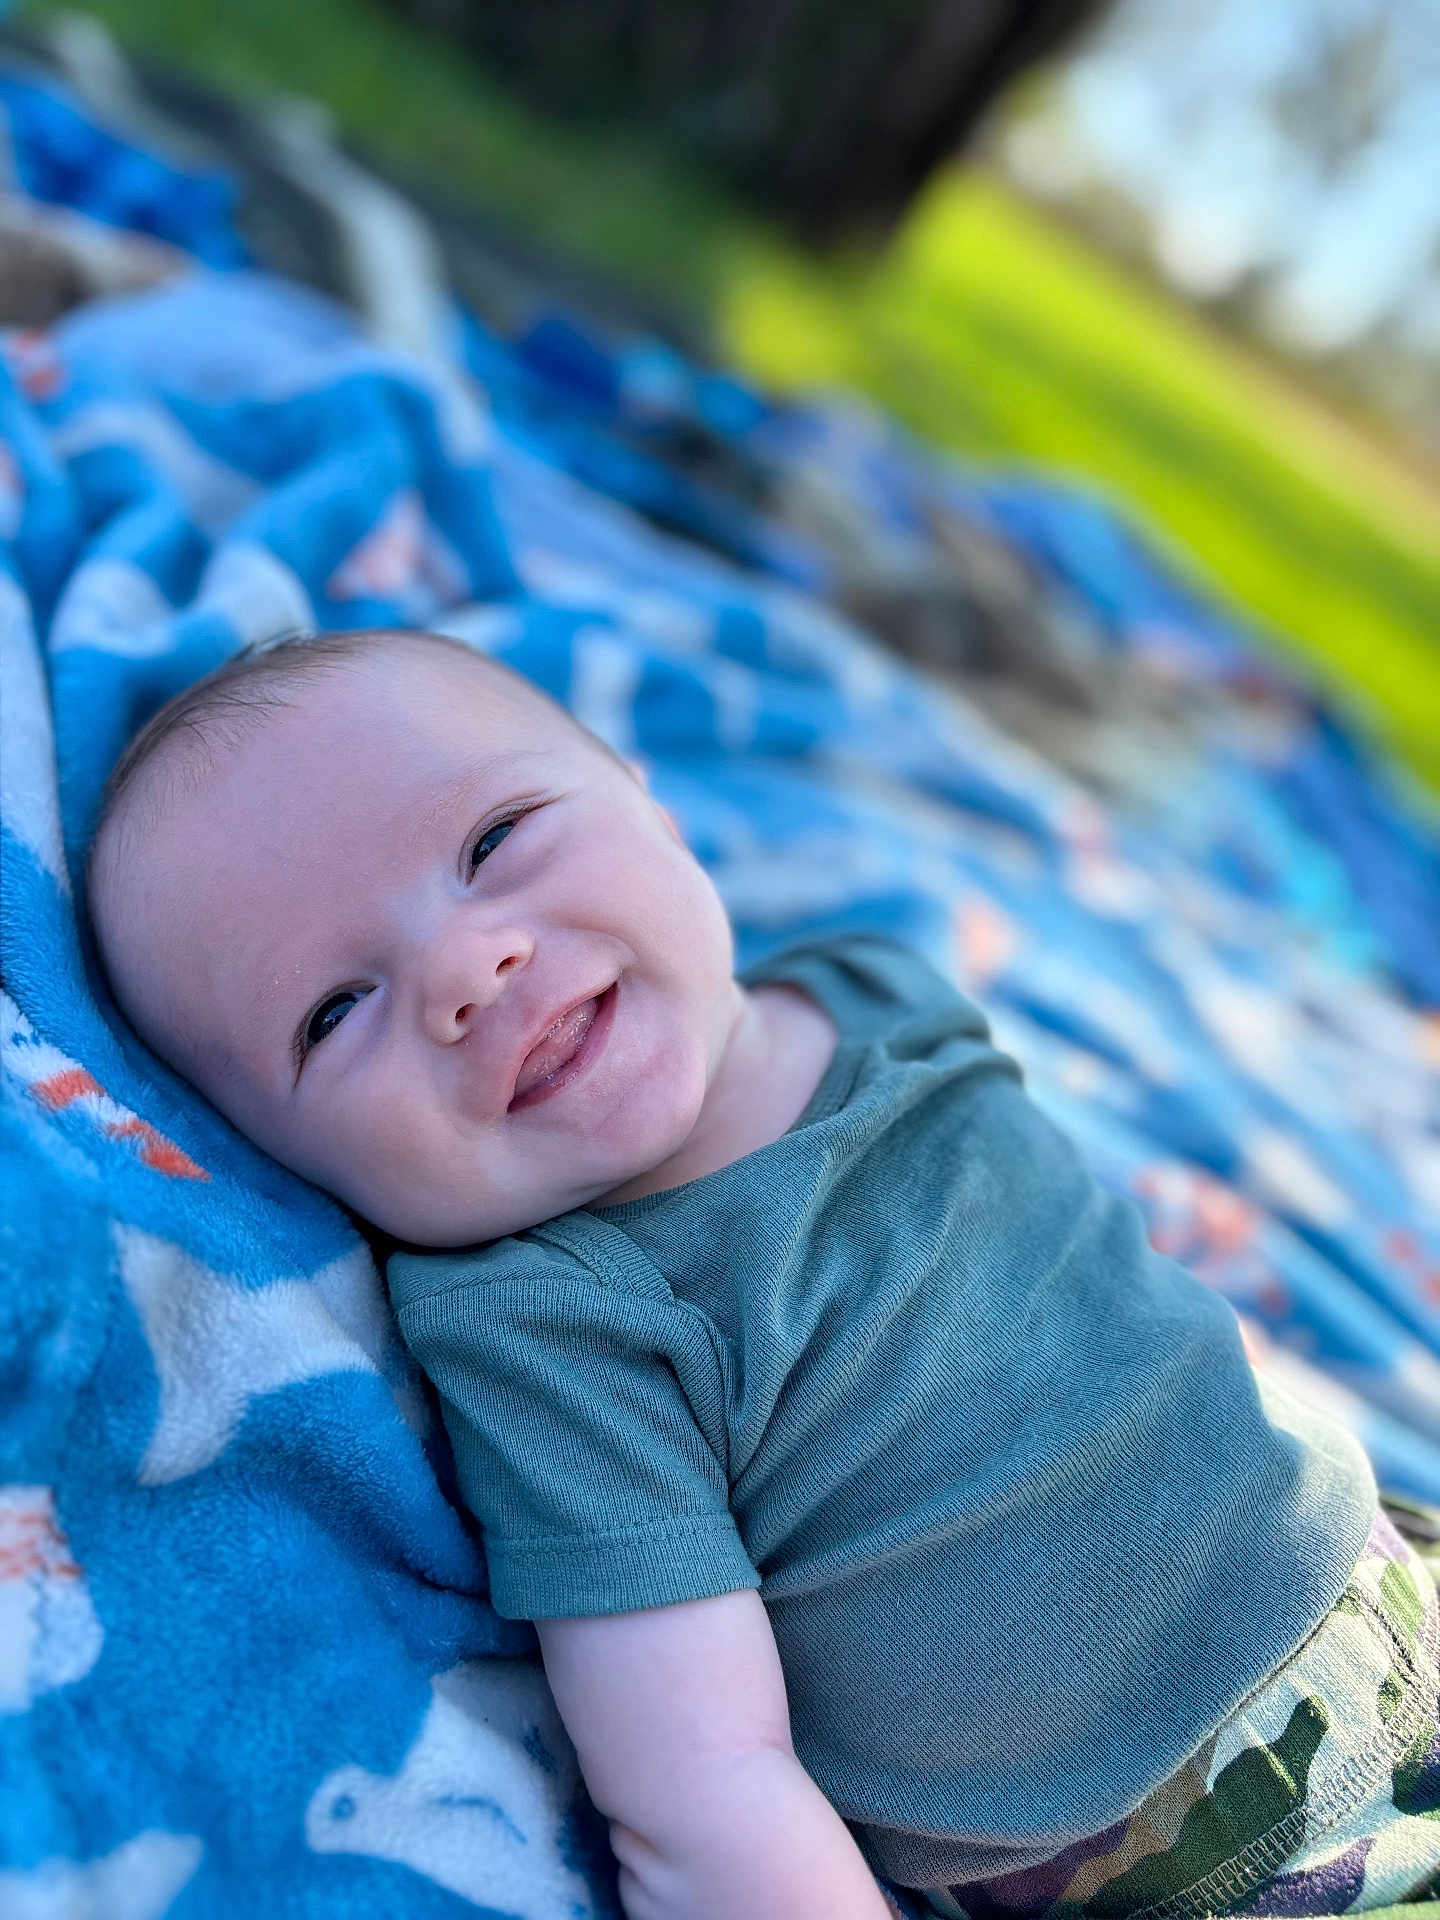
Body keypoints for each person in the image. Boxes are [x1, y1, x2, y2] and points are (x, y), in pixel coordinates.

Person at [87, 626, 1440, 1920]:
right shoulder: (552, 1322)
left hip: (1376, 1561)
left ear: (649, 803)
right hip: (1214, 1840)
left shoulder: (872, 992)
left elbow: (1088, 1289)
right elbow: (702, 1789)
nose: (465, 963)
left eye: (495, 841)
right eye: (333, 1011)